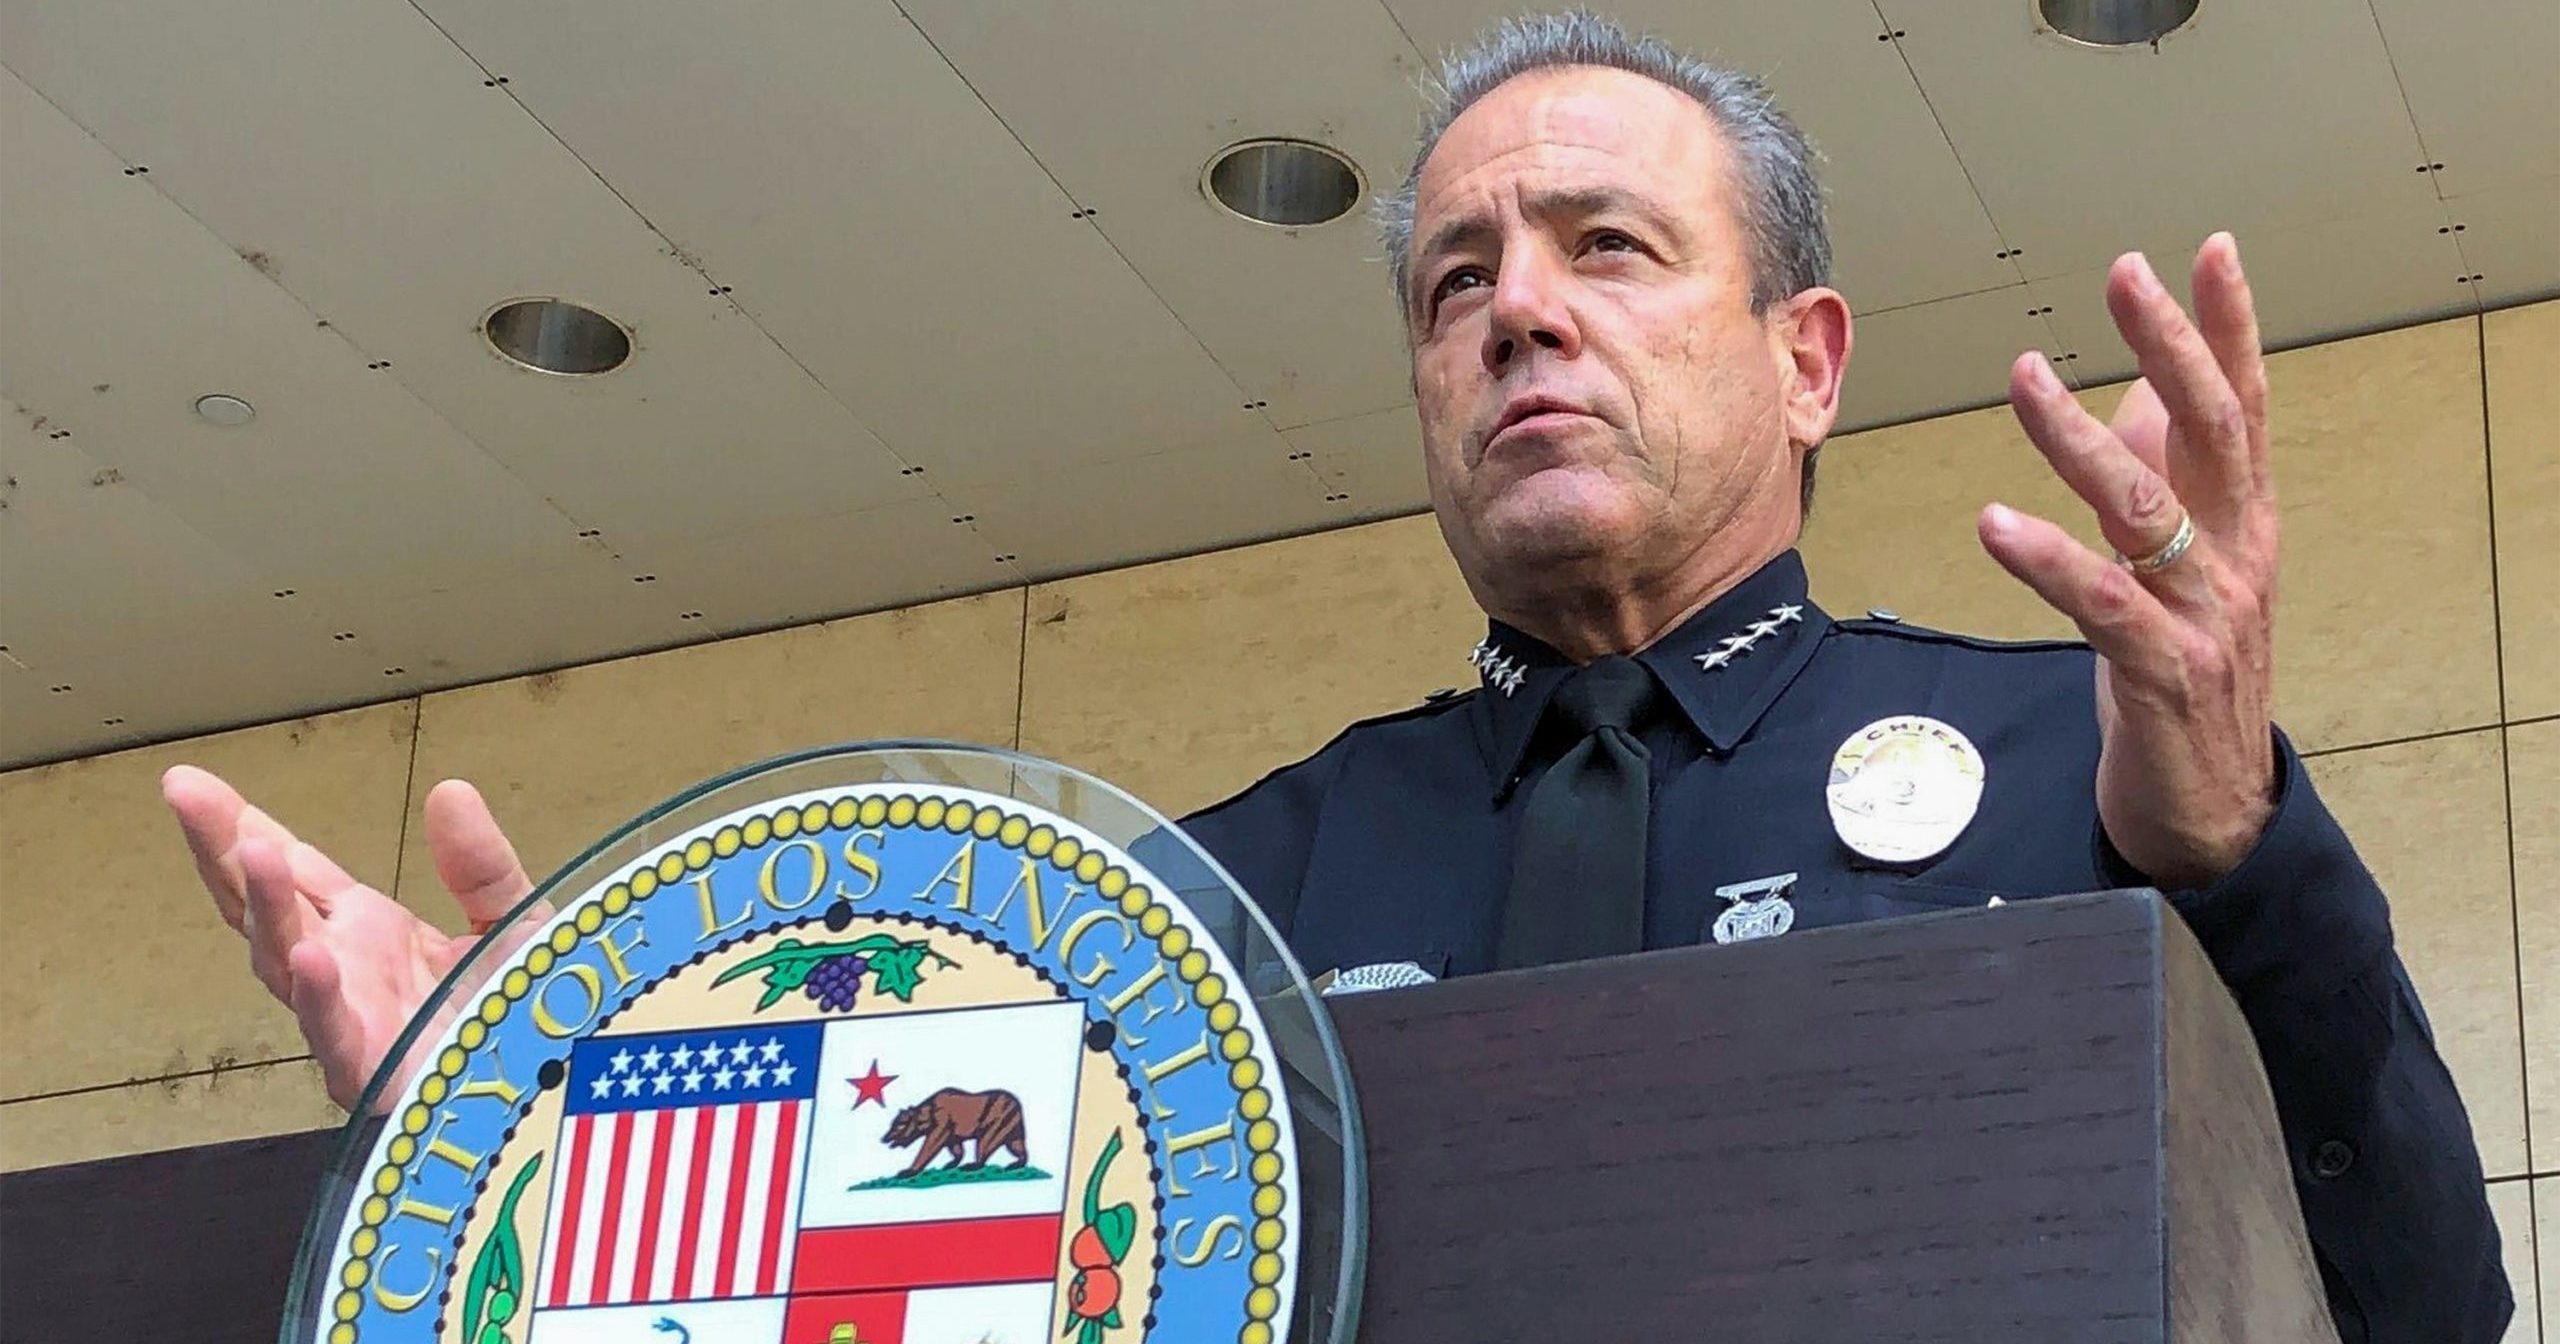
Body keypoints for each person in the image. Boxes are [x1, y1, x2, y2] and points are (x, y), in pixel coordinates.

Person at [160, 11, 2508, 1340]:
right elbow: (884, 1266)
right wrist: (514, 1125)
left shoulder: (2070, 764)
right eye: (1454, 281)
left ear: (1803, 362)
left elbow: (2418, 1301)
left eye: (1605, 247)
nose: (1516, 310)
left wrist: (2236, 849)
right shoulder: (1192, 908)